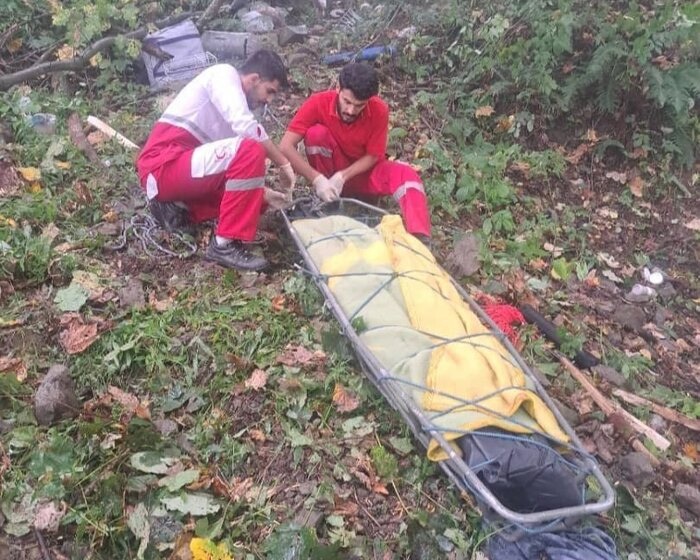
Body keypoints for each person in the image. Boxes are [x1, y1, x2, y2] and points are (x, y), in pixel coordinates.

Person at [136, 50, 295, 271]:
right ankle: (224, 244)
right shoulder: (224, 75)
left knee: (256, 198)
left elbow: (228, 173)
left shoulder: (234, 107)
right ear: (254, 79)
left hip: (180, 170)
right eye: (269, 91)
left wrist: (264, 194)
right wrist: (282, 162)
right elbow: (248, 131)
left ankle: (178, 207)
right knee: (250, 149)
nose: (268, 100)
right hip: (163, 164)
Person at [279, 63, 431, 240]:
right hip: (330, 176)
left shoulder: (379, 110)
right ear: (338, 88)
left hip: (365, 173)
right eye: (347, 102)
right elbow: (285, 145)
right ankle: (329, 204)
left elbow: (374, 155)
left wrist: (343, 176)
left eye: (359, 105)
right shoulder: (318, 102)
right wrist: (317, 179)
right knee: (316, 134)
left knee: (407, 175)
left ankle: (420, 239)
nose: (351, 110)